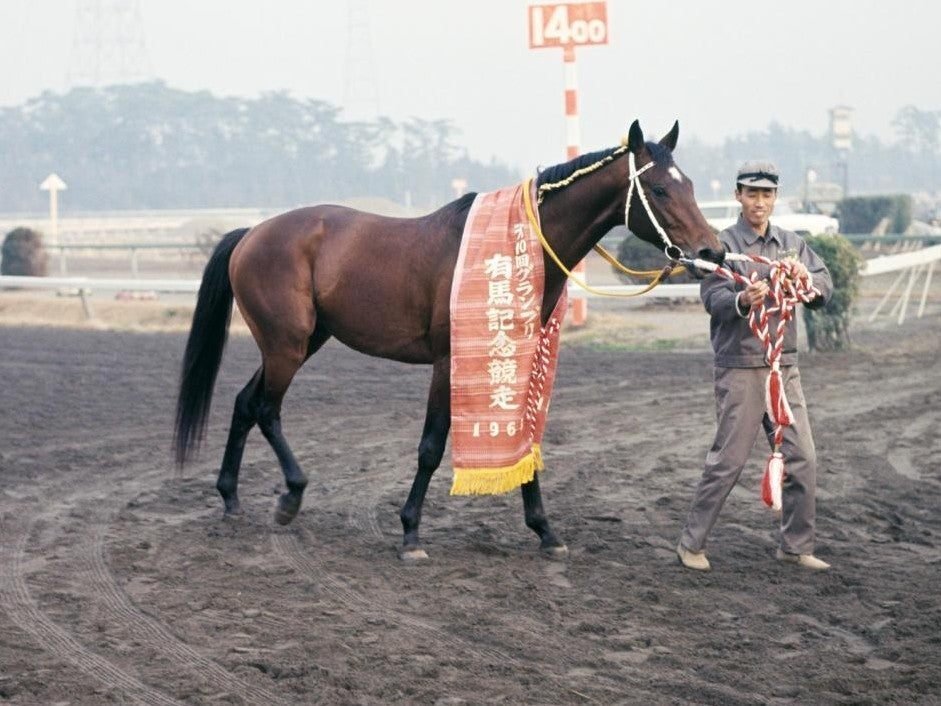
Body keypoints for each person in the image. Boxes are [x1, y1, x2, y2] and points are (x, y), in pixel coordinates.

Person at [676, 161, 833, 571]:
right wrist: (743, 300)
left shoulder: (792, 245)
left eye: (766, 194)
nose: (759, 202)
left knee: (803, 458)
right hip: (740, 367)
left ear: (775, 198)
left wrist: (805, 282)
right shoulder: (721, 245)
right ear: (738, 196)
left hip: (784, 368)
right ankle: (691, 544)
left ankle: (796, 546)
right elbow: (713, 299)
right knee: (728, 460)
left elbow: (824, 285)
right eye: (751, 194)